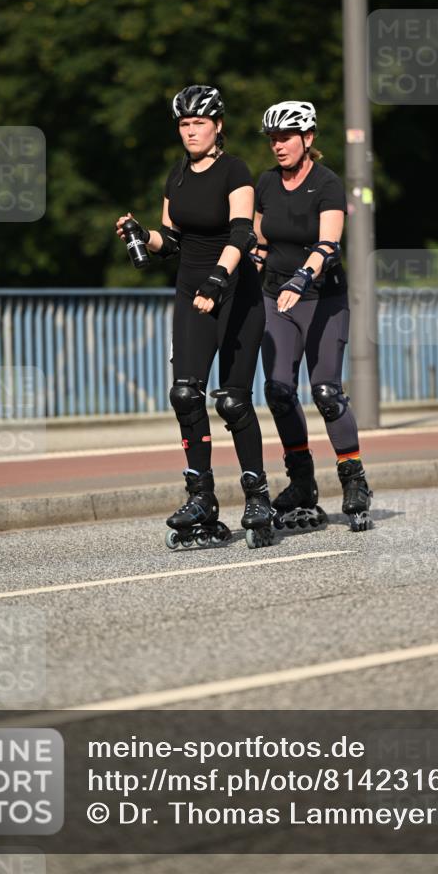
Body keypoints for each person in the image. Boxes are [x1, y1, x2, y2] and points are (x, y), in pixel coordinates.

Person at [116, 85, 274, 549]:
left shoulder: (235, 170)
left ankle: (257, 495)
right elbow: (173, 240)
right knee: (185, 395)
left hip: (236, 293)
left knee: (233, 401)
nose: (191, 132)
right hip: (192, 291)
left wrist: (218, 280)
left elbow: (243, 232)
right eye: (184, 125)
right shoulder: (177, 175)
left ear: (218, 125)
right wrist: (141, 235)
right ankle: (201, 497)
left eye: (199, 123)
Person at [252, 100, 373, 531]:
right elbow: (260, 243)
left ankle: (354, 480)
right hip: (276, 299)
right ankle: (301, 481)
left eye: (285, 137)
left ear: (308, 139)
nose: (278, 145)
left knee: (325, 391)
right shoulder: (265, 184)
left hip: (322, 299)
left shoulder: (327, 183)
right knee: (279, 390)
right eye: (272, 139)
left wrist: (302, 278)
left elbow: (329, 245)